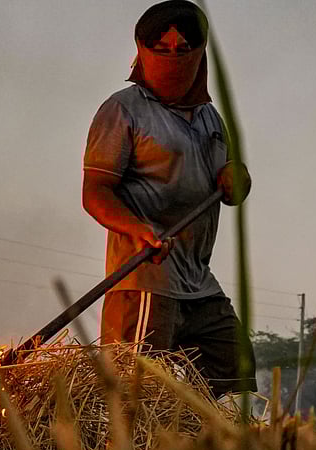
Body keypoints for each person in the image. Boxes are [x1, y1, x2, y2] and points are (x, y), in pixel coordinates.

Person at [82, 0, 255, 398]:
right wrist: (138, 229)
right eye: (162, 49)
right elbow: (95, 194)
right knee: (133, 393)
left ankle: (197, 437)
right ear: (143, 52)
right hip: (144, 279)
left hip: (198, 281)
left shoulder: (210, 118)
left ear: (199, 54)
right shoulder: (123, 110)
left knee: (234, 371)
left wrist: (238, 178)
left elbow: (230, 188)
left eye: (182, 49)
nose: (173, 57)